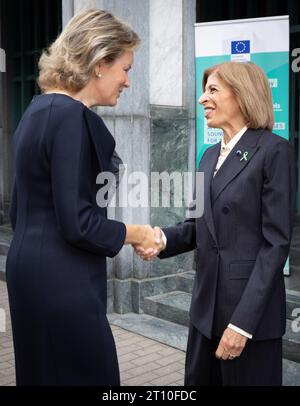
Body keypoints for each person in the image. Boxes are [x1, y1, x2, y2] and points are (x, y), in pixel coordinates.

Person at [6, 9, 161, 386]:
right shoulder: (72, 117)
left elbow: (19, 208)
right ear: (98, 62)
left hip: (27, 272)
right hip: (64, 281)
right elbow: (78, 222)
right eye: (125, 68)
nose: (127, 81)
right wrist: (139, 233)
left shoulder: (36, 110)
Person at [136, 62, 296, 386]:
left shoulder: (274, 151)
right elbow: (195, 226)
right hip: (204, 316)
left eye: (213, 90)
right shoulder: (207, 156)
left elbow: (275, 245)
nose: (202, 99)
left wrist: (242, 324)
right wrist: (161, 239)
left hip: (248, 320)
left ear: (242, 95)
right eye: (204, 90)